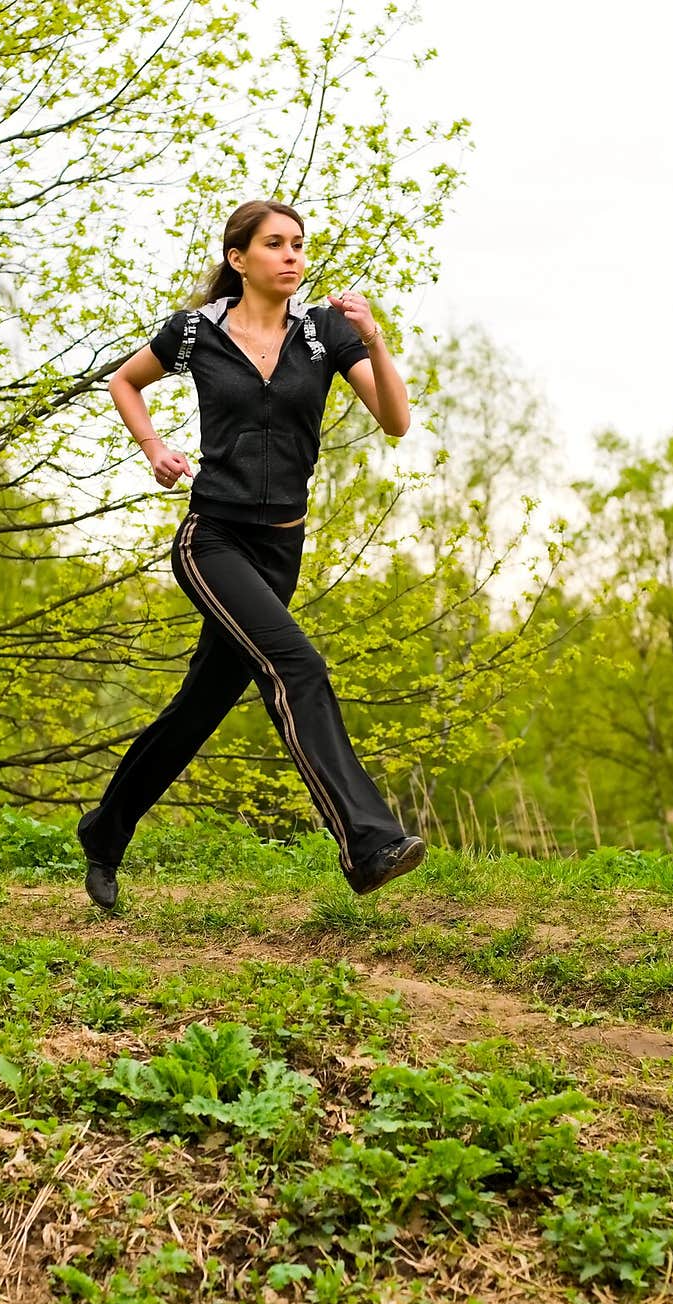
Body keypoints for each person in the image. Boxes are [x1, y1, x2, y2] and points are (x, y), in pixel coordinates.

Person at [76, 198, 426, 910]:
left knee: (198, 708)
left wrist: (377, 341)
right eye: (275, 244)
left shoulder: (325, 334)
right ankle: (366, 842)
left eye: (298, 244)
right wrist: (154, 448)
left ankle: (105, 829)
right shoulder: (195, 333)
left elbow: (394, 421)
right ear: (239, 259)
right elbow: (123, 381)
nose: (292, 255)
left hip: (280, 548)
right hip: (213, 540)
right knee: (295, 665)